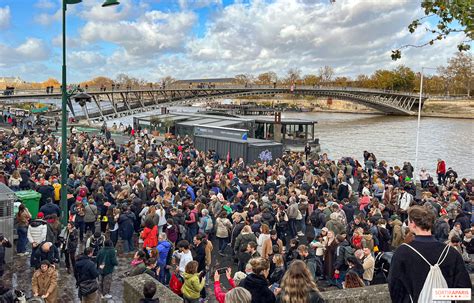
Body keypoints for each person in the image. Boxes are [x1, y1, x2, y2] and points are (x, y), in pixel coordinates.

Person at [388, 206, 472, 303]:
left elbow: (395, 289)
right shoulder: (451, 252)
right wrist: (439, 295)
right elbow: (464, 290)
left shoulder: (402, 252)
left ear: (412, 223)